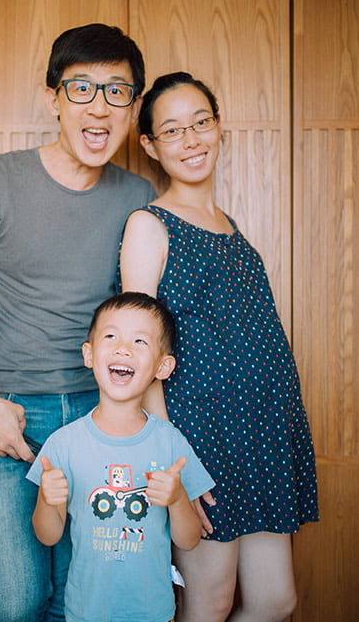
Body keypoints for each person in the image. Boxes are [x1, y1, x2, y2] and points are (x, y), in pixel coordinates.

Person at [0, 23, 156, 622]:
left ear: (134, 105)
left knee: (85, 599)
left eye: (117, 91)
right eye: (81, 88)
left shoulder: (138, 194)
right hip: (9, 415)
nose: (99, 106)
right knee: (13, 601)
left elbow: (148, 314)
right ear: (52, 97)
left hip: (102, 415)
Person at [119, 72, 319, 622]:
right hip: (199, 437)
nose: (191, 140)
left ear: (219, 126)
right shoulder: (149, 224)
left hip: (262, 431)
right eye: (173, 130)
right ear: (151, 147)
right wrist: (169, 456)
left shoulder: (228, 224)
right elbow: (138, 345)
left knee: (277, 600)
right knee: (210, 600)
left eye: (201, 123)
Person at [27, 291, 215, 622]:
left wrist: (176, 497)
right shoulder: (63, 445)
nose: (123, 348)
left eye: (140, 341)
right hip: (86, 612)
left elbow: (188, 540)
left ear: (163, 366)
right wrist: (46, 499)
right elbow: (48, 535)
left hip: (153, 612)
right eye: (111, 336)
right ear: (88, 353)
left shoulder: (170, 442)